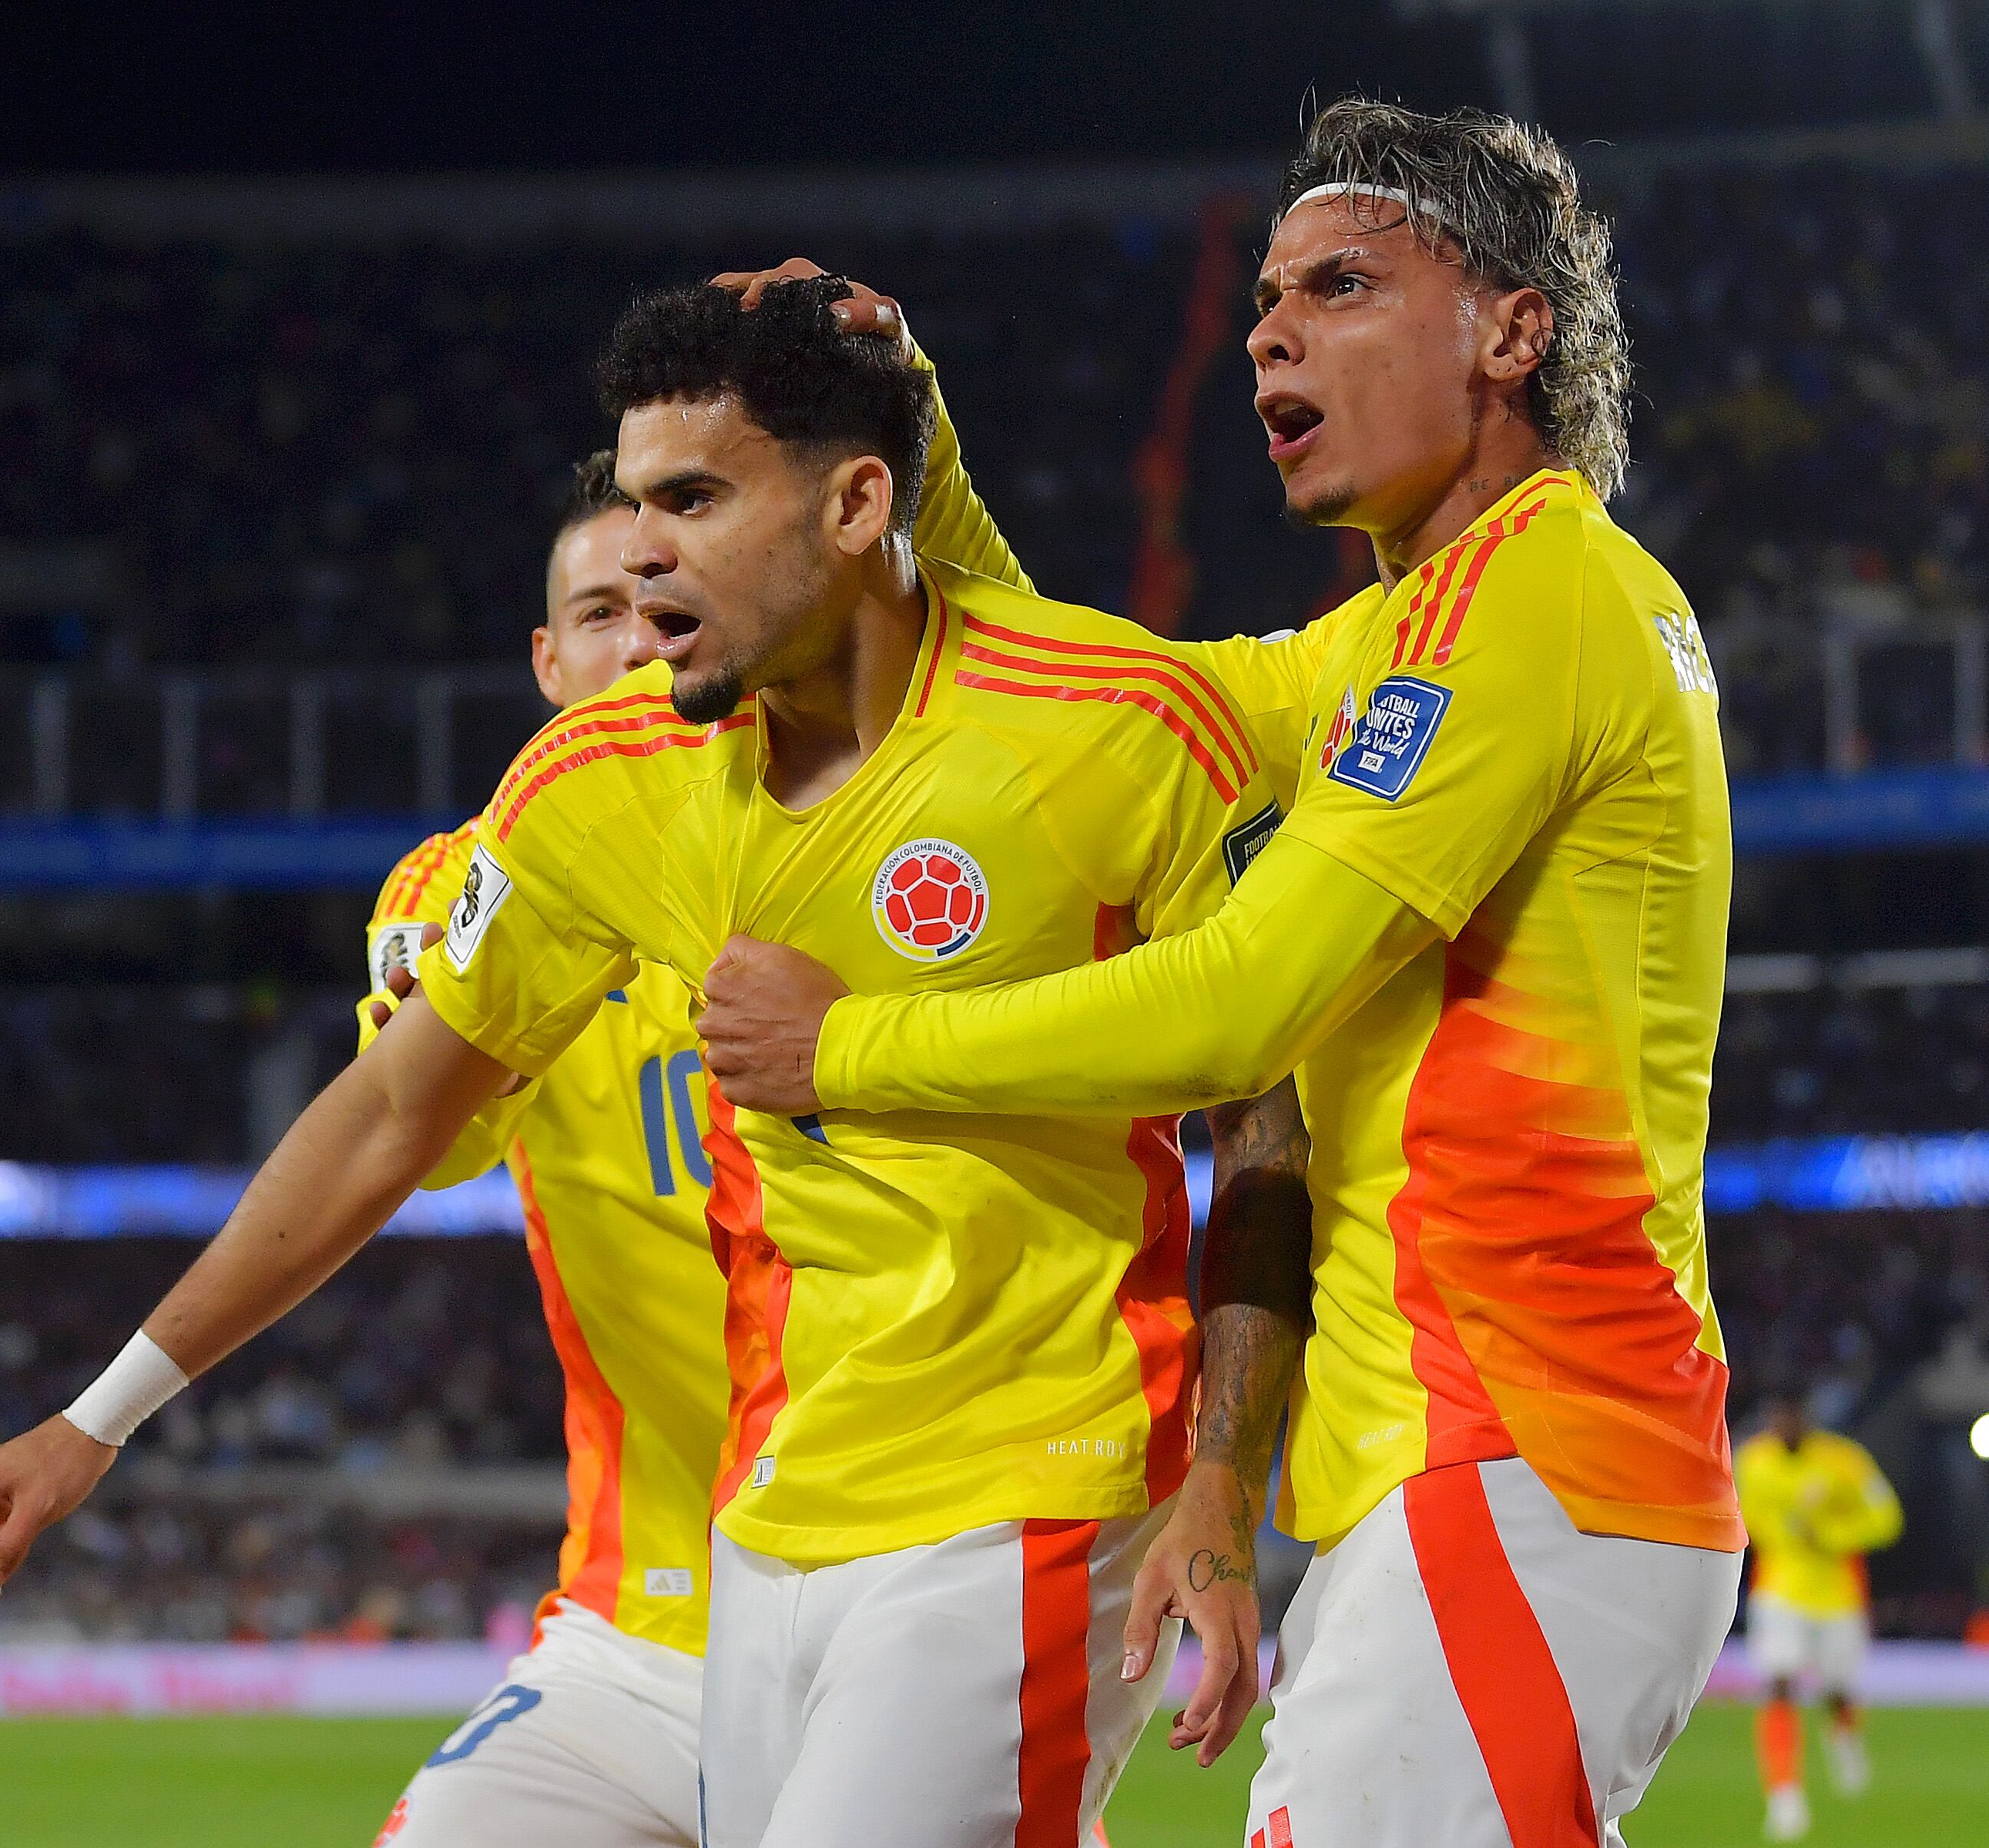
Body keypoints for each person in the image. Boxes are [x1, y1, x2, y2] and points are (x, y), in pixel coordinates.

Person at [0, 276, 1289, 1848]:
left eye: (693, 500)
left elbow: (1269, 1107)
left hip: (1034, 1479)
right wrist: (94, 1415)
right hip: (763, 1524)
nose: (641, 553)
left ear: (855, 501)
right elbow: (389, 1109)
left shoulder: (1114, 722)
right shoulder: (597, 785)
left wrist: (1223, 1473)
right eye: (635, 505)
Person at [698, 97, 1747, 1848]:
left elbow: (1237, 1001)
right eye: (1267, 294)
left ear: (1511, 330)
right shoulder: (1404, 628)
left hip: (1528, 1450)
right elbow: (1097, 720)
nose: (1270, 328)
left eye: (1340, 285)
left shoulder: (1535, 603)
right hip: (1459, 1468)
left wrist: (854, 1045)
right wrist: (916, 445)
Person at [351, 451, 722, 1848]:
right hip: (636, 1630)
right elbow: (428, 1144)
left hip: (893, 1606)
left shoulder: (869, 857)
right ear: (547, 662)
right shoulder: (461, 888)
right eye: (595, 613)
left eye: (661, 599)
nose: (634, 638)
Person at [1735, 1388, 1903, 1840]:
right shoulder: (1752, 1462)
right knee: (1779, 1685)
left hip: (1837, 1598)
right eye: (1777, 1416)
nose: (1784, 1424)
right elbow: (1743, 1516)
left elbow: (1887, 1518)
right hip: (1780, 1593)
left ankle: (1845, 1742)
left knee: (1837, 1691)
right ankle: (1785, 1797)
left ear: (1806, 1416)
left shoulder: (1843, 1460)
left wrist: (1830, 1534)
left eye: (1792, 1415)